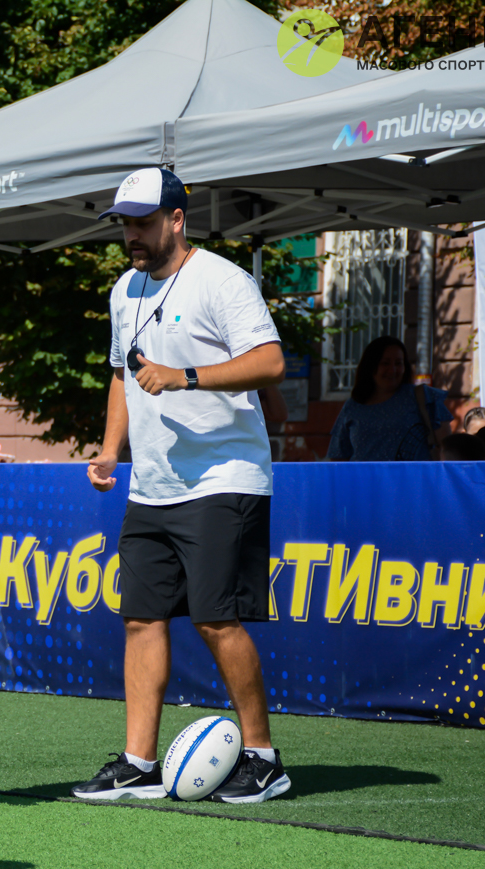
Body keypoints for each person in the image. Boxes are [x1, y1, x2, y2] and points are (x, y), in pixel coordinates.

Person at [78, 166, 291, 804]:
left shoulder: (223, 280)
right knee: (141, 619)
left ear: (176, 219)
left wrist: (186, 376)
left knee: (216, 620)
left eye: (142, 223)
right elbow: (123, 374)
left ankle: (264, 759)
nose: (131, 236)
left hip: (224, 477)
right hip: (151, 485)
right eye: (123, 225)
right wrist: (110, 450)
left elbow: (271, 362)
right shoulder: (124, 289)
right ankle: (138, 763)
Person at [326, 337, 451, 461]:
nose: (392, 370)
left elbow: (448, 450)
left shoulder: (425, 397)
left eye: (398, 363)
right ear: (370, 366)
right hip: (362, 476)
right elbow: (338, 459)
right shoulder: (352, 406)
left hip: (415, 475)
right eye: (385, 363)